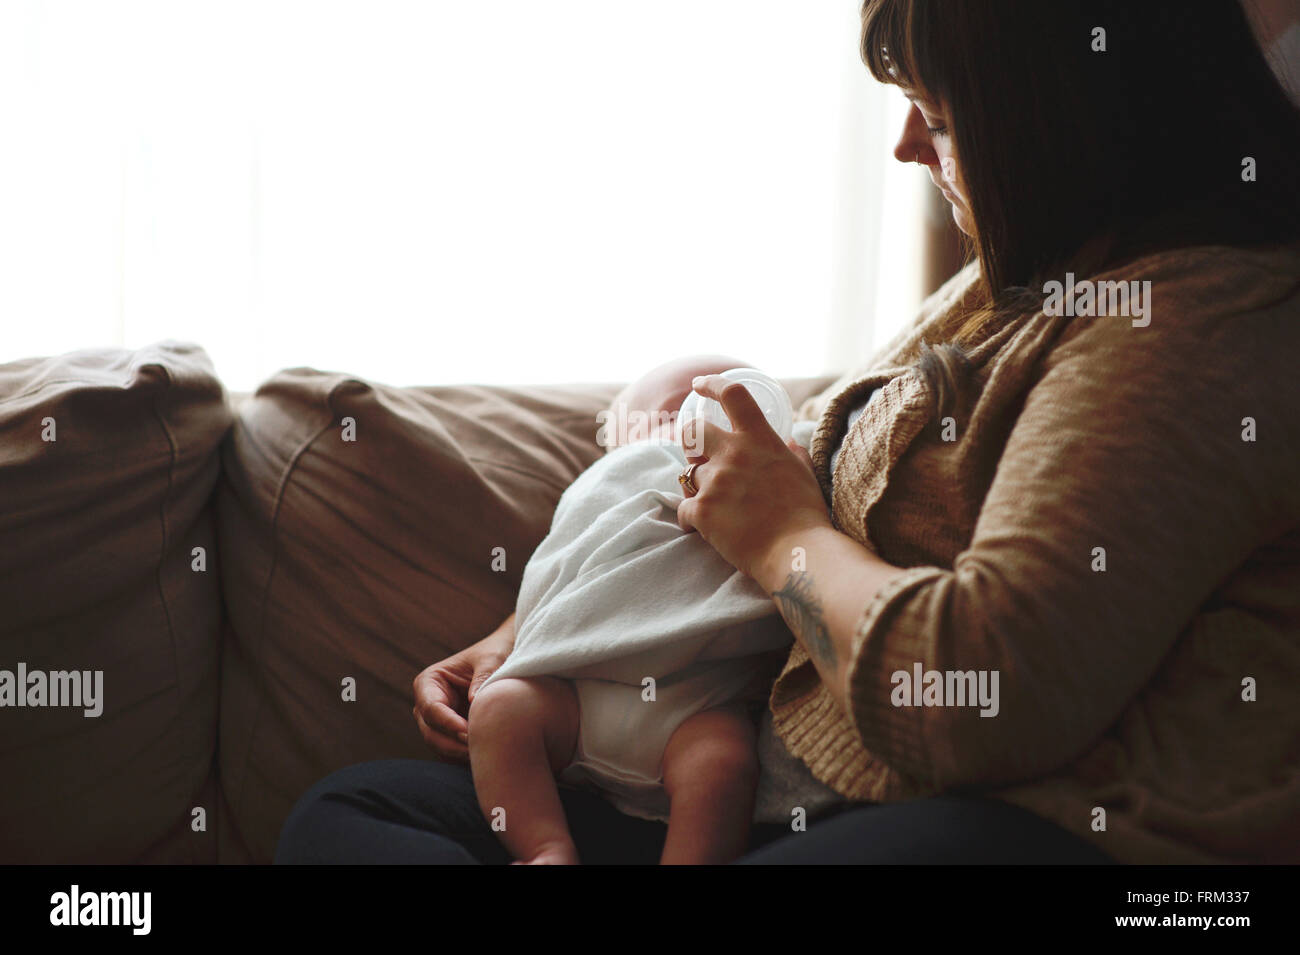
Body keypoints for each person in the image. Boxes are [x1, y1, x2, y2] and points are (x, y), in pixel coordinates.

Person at [276, 0, 1300, 865]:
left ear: (1068, 117)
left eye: (935, 116)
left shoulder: (1186, 326)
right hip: (794, 778)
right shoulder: (1022, 284)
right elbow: (761, 471)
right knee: (353, 814)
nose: (904, 147)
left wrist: (781, 537)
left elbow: (977, 694)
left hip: (1042, 824)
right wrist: (540, 635)